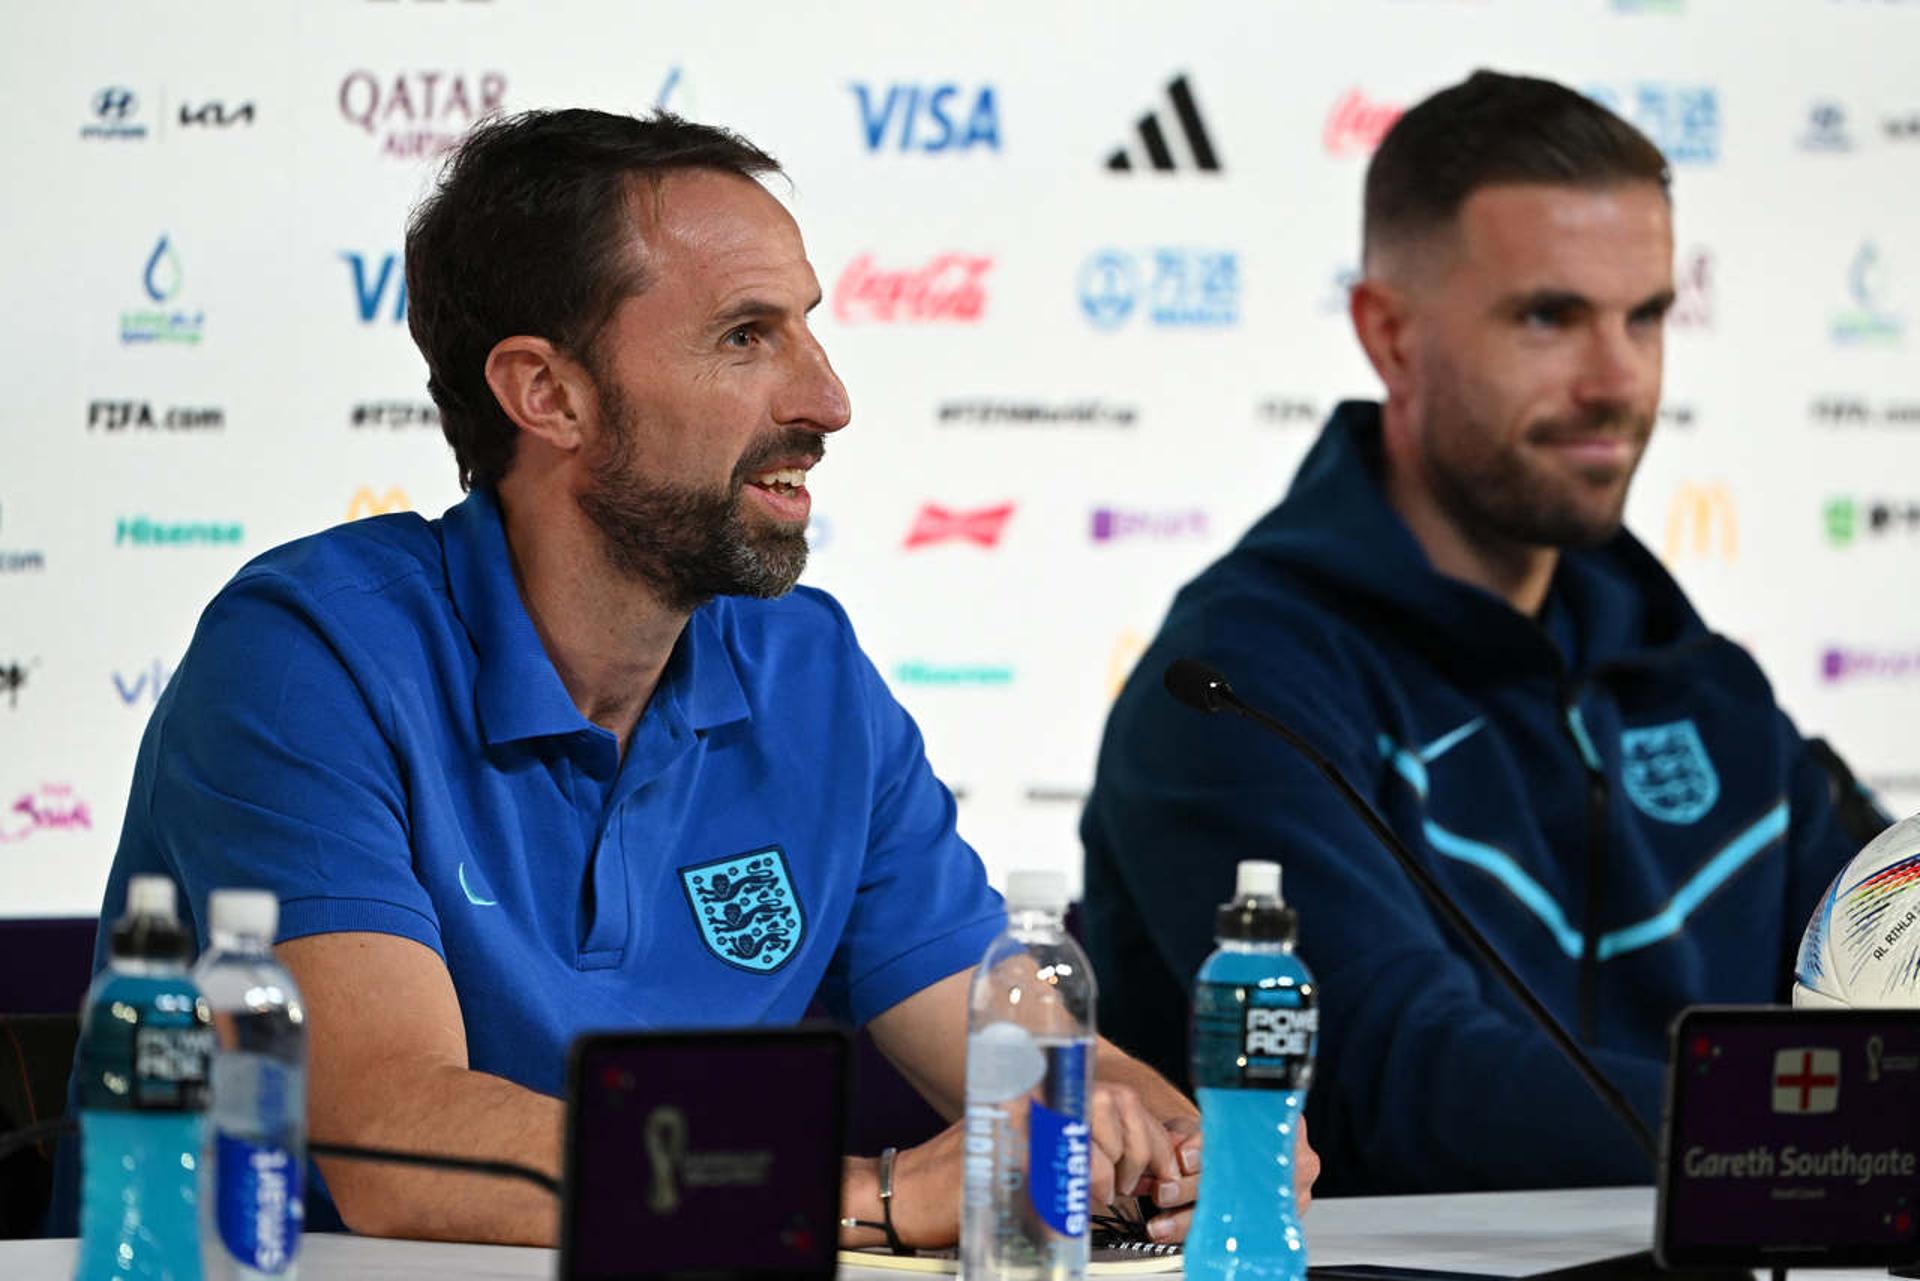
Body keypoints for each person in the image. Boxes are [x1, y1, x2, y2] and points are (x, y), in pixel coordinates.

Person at [55, 109, 1316, 1245]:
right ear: (548, 393)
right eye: (743, 337)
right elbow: (394, 1139)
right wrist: (868, 1198)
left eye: (809, 328)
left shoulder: (808, 673)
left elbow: (1031, 1057)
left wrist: (1182, 1146)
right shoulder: (305, 657)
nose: (827, 398)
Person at [1082, 71, 1887, 1196]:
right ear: (1390, 336)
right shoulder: (1241, 685)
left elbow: (1883, 969)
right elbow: (1400, 1086)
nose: (1620, 380)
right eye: (1550, 317)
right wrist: (1834, 1135)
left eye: (1646, 316)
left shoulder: (1704, 687)